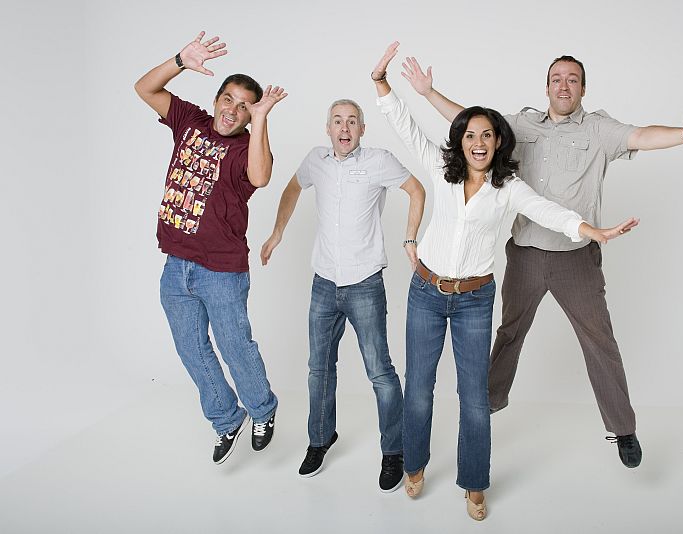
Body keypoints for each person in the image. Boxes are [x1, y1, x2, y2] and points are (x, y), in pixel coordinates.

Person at [397, 52, 683, 468]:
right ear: (546, 87)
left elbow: (643, 135)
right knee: (510, 333)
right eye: (556, 79)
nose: (563, 85)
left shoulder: (599, 129)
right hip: (524, 254)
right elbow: (472, 123)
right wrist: (429, 93)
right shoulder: (521, 125)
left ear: (583, 89)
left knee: (599, 340)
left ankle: (623, 428)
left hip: (575, 257)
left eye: (572, 80)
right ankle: (484, 405)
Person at [371, 42, 637, 521]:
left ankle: (474, 484)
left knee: (474, 398)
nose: (478, 142)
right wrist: (382, 84)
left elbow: (549, 212)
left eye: (487, 136)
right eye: (470, 134)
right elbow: (405, 126)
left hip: (474, 300)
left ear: (498, 143)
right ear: (461, 141)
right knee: (420, 388)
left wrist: (589, 229)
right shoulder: (441, 170)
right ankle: (414, 465)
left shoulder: (508, 188)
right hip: (427, 294)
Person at [134, 31, 287, 464]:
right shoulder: (190, 121)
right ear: (216, 98)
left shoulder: (245, 148)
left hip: (221, 270)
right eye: (228, 99)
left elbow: (260, 177)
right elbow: (145, 87)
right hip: (176, 265)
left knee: (236, 346)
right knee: (192, 350)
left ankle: (262, 410)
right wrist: (180, 59)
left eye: (244, 107)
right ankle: (225, 419)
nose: (232, 110)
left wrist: (261, 121)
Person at [260, 97, 425, 492]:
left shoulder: (379, 161)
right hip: (323, 283)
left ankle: (393, 451)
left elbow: (416, 189)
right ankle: (320, 439)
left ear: (362, 130)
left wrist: (409, 237)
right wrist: (278, 231)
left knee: (380, 372)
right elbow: (291, 188)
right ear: (329, 129)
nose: (345, 128)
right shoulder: (316, 160)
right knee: (319, 369)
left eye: (352, 121)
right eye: (338, 121)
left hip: (365, 283)